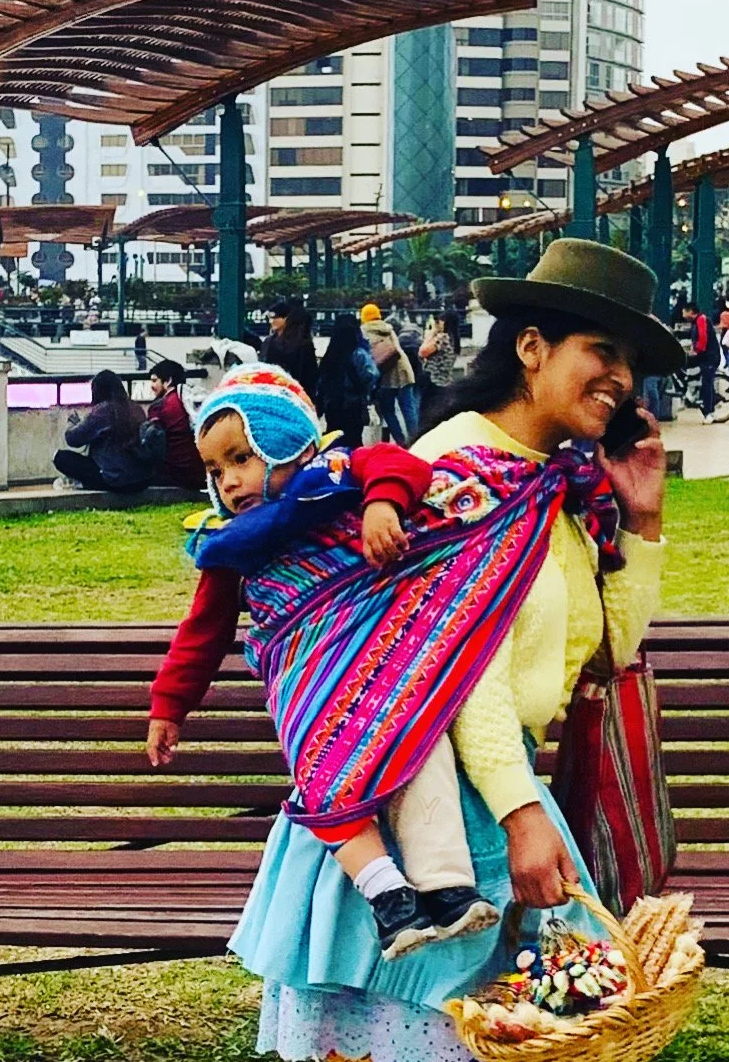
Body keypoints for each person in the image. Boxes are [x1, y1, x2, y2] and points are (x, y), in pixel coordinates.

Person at [220, 240, 680, 1062]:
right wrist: (522, 814)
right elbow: (443, 666)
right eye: (601, 353)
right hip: (441, 812)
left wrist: (643, 524)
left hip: (500, 798)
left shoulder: (550, 481)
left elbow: (611, 652)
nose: (618, 380)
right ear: (530, 346)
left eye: (628, 361)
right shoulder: (450, 471)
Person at [148, 365, 495, 960]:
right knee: (324, 777)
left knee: (420, 743)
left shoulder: (339, 479)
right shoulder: (232, 547)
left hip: (388, 672)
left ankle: (448, 886)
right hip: (308, 687)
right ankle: (388, 895)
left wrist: (382, 506)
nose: (230, 482)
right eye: (216, 470)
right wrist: (169, 706)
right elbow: (202, 634)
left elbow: (401, 464)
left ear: (288, 441)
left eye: (242, 457)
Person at [53, 369, 151, 493]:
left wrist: (72, 423)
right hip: (141, 480)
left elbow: (73, 439)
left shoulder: (103, 411)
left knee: (59, 457)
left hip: (114, 479)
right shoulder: (136, 409)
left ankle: (83, 482)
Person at [140, 360, 206, 492]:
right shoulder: (187, 401)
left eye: (154, 381)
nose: (151, 386)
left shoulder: (159, 407)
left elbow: (152, 444)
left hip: (174, 473)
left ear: (168, 381)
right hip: (197, 472)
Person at [318, 311, 380, 447]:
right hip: (354, 404)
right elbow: (372, 375)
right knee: (354, 440)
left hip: (333, 405)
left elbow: (322, 381)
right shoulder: (359, 353)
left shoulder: (330, 354)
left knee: (334, 438)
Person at [361, 302, 418, 443]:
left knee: (388, 410)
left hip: (386, 375)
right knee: (408, 409)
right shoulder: (388, 328)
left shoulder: (364, 331)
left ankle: (401, 441)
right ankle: (417, 439)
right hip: (404, 370)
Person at [261, 299, 320, 404]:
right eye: (270, 318)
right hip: (283, 394)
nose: (271, 321)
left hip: (286, 394)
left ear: (287, 318)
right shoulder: (269, 342)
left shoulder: (302, 345)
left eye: (276, 317)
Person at [689, 297, 721, 422]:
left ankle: (709, 412)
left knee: (707, 384)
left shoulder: (701, 320)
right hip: (705, 356)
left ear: (691, 311)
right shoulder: (697, 321)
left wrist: (696, 350)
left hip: (709, 357)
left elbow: (702, 339)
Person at [419, 308, 460, 395]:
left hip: (433, 381)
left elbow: (422, 352)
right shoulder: (455, 340)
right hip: (445, 380)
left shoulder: (442, 338)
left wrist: (432, 333)